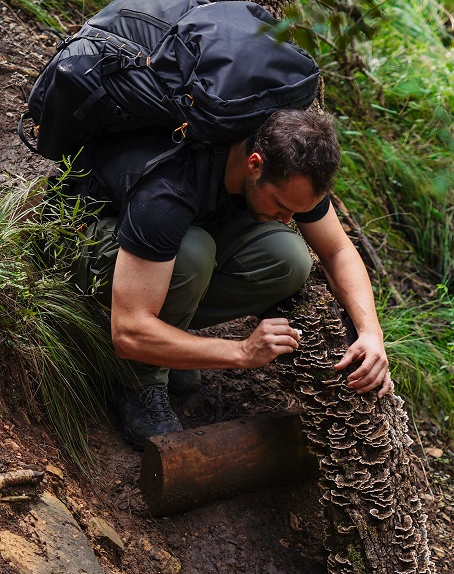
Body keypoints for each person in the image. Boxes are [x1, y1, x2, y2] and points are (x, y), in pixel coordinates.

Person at [72, 108, 390, 446]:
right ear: (254, 164)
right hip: (85, 236)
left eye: (296, 211)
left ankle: (170, 339)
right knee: (193, 253)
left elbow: (337, 251)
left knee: (289, 258)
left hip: (167, 241)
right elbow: (128, 332)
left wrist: (371, 332)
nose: (287, 218)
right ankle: (139, 381)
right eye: (281, 206)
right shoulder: (169, 189)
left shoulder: (290, 165)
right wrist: (242, 351)